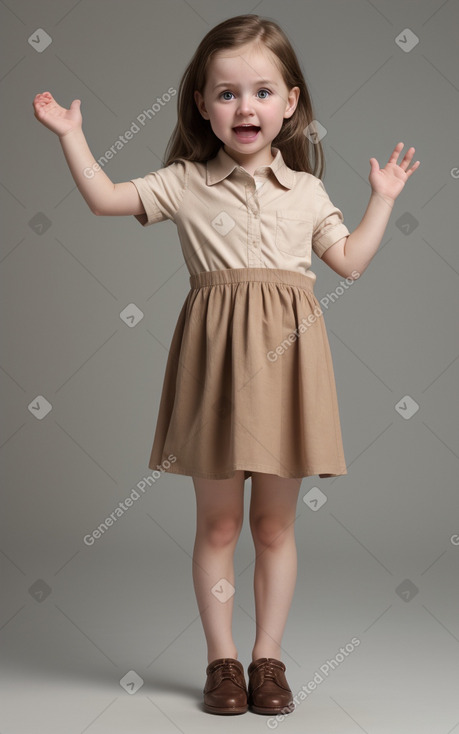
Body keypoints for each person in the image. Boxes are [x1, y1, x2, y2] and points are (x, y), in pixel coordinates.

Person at [32, 13, 420, 717]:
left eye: (262, 92)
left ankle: (267, 659)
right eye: (227, 93)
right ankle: (221, 663)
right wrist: (71, 136)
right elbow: (102, 198)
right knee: (216, 527)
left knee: (274, 527)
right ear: (203, 106)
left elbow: (351, 265)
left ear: (290, 103)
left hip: (290, 368)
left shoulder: (305, 192)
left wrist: (382, 202)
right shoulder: (184, 182)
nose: (245, 107)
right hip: (213, 370)